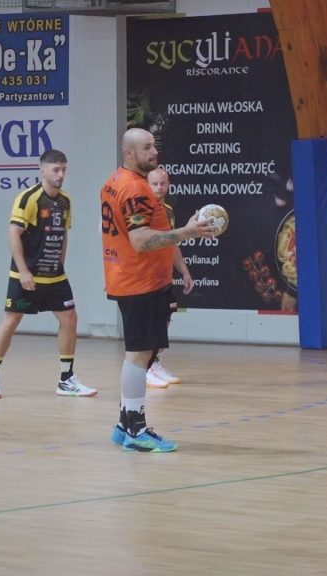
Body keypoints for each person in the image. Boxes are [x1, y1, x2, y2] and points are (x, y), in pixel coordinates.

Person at [102, 128, 214, 452]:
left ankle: (124, 424)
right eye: (147, 148)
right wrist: (187, 232)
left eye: (154, 146)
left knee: (141, 354)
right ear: (129, 153)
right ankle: (136, 431)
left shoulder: (114, 181)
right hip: (140, 281)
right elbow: (139, 240)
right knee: (139, 356)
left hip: (131, 278)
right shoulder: (135, 188)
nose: (154, 152)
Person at [0, 149, 96, 399]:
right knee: (11, 321)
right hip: (27, 276)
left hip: (55, 276)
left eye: (64, 169)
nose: (61, 174)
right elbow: (13, 233)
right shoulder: (28, 198)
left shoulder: (66, 201)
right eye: (56, 169)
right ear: (42, 170)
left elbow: (63, 234)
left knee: (70, 318)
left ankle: (66, 379)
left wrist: (60, 263)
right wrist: (23, 270)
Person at [144, 166, 192, 388]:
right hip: (145, 277)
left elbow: (172, 244)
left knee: (165, 319)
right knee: (150, 322)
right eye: (154, 184)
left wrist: (184, 270)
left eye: (163, 183)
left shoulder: (169, 211)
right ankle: (145, 367)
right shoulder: (142, 212)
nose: (159, 187)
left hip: (164, 276)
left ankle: (155, 362)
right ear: (147, 185)